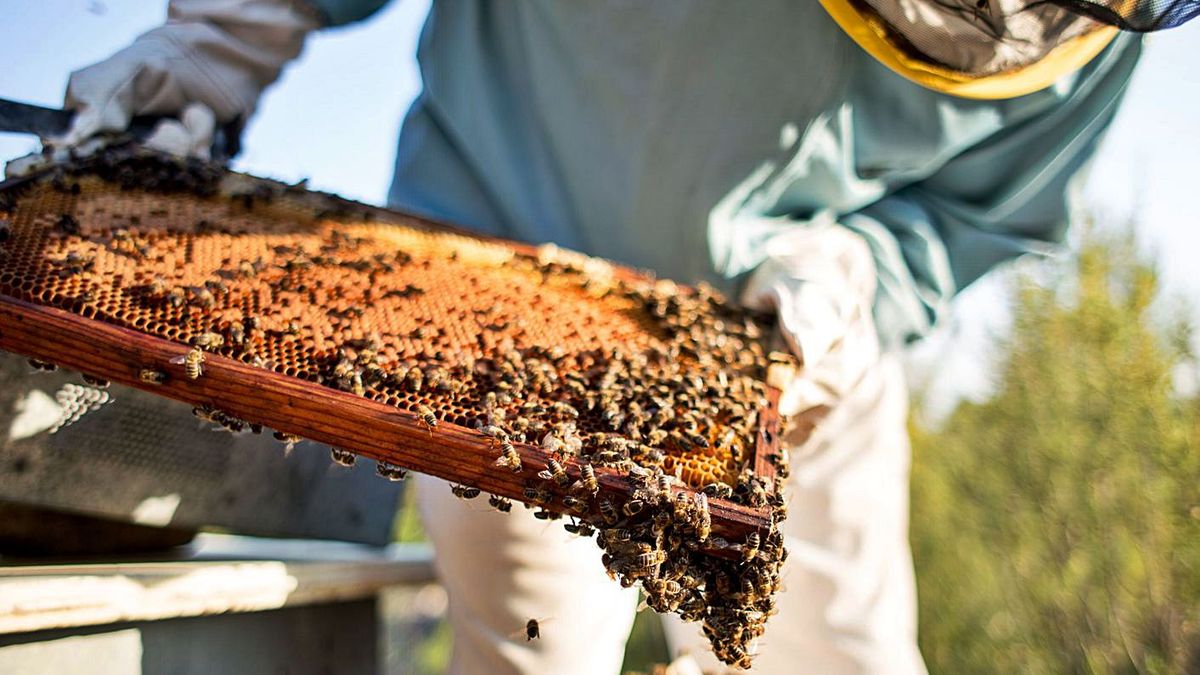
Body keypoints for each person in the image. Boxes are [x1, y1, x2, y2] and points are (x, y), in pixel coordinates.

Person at [41, 1, 1197, 672]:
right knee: (539, 649)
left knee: (844, 660)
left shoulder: (1098, 36)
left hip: (799, 352)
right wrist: (222, 36)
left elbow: (969, 218)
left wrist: (857, 274)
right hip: (498, 331)